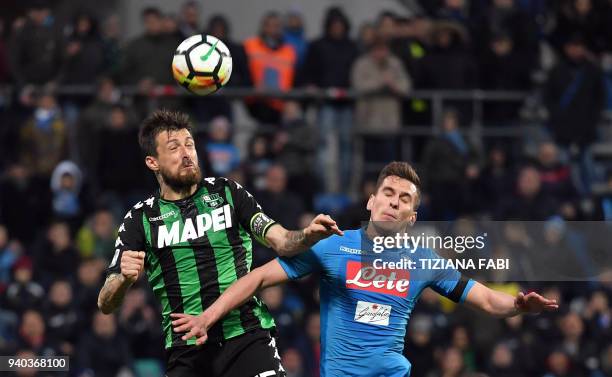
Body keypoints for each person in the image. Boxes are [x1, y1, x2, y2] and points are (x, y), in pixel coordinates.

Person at [171, 161, 559, 376]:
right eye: (387, 193)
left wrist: (520, 305)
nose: (394, 202)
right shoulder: (330, 246)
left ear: (412, 216)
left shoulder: (424, 260)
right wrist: (207, 316)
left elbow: (488, 300)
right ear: (371, 202)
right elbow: (257, 278)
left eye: (403, 199)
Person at [97, 109, 342, 377]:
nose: (187, 153)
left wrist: (306, 235)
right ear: (152, 162)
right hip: (187, 348)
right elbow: (105, 303)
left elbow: (281, 241)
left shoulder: (227, 192)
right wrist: (122, 281)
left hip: (246, 336)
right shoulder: (140, 218)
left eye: (189, 144)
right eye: (174, 147)